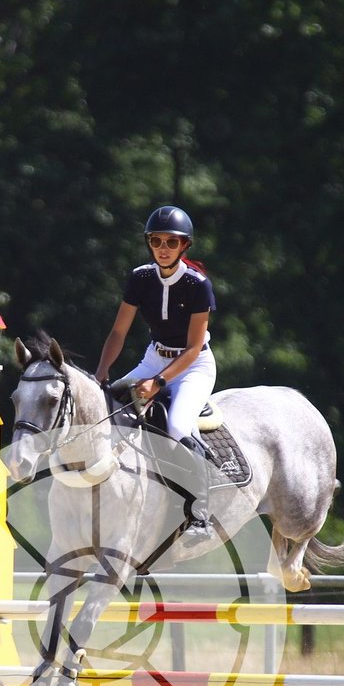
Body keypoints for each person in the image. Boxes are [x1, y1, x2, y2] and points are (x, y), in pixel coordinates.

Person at [94, 205, 218, 531]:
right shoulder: (140, 277)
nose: (163, 248)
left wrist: (158, 383)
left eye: (171, 242)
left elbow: (193, 348)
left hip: (193, 366)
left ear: (185, 245)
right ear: (149, 243)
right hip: (154, 358)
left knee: (177, 426)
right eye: (156, 241)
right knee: (105, 408)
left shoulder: (198, 284)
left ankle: (200, 512)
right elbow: (118, 332)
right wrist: (101, 373)